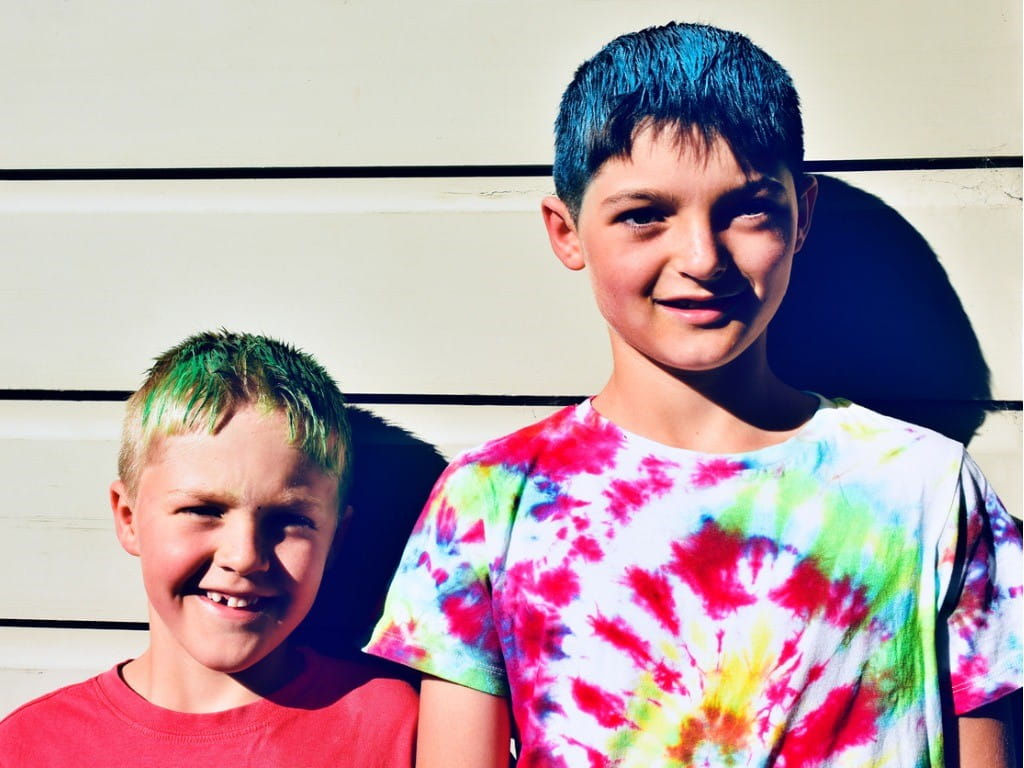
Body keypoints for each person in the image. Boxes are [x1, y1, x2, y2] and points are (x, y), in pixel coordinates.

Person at [364, 22, 1022, 768]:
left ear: (801, 217)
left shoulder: (927, 491)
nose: (703, 258)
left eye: (747, 209)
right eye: (645, 215)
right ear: (566, 230)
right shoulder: (490, 499)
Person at [0, 330, 417, 767]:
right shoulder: (30, 748)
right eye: (203, 509)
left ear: (335, 540)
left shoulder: (399, 730)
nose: (244, 556)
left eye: (290, 520)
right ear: (128, 518)